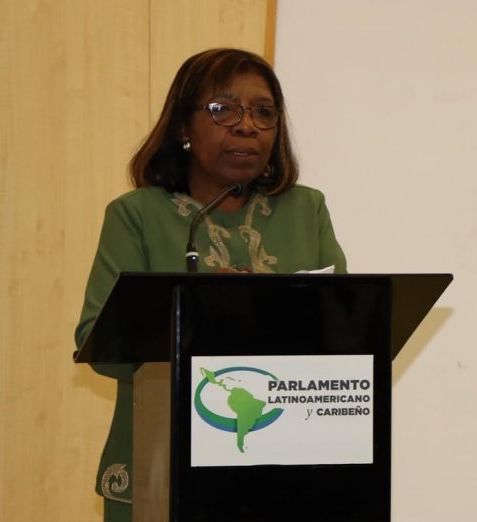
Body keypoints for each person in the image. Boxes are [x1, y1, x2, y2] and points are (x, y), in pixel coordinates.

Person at [74, 48, 347, 521]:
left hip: (286, 468)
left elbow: (346, 330)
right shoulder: (137, 215)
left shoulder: (307, 210)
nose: (247, 126)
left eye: (263, 112)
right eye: (224, 109)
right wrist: (199, 311)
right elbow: (99, 343)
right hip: (161, 468)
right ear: (183, 127)